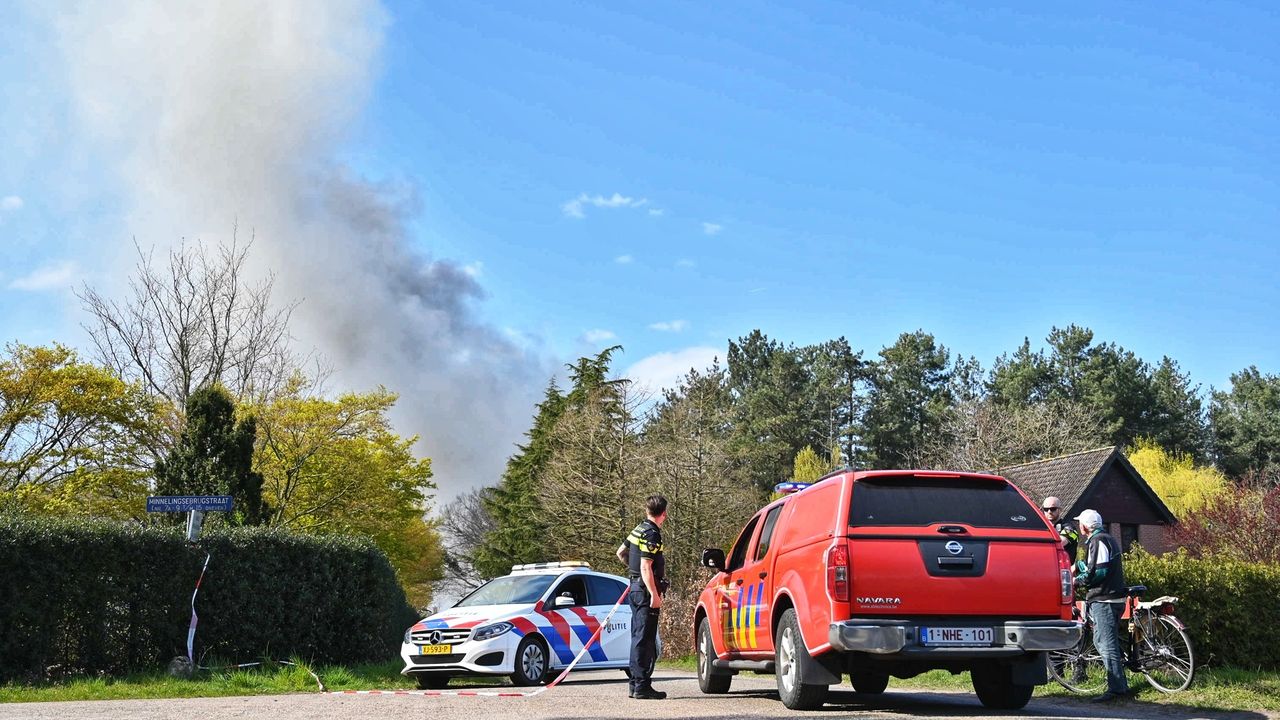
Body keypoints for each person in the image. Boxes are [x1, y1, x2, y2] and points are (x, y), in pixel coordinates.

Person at [1073, 508, 1130, 702]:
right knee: (1103, 641)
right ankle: (1120, 683)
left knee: (1106, 644)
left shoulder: (1097, 541)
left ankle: (1116, 689)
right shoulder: (1108, 538)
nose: (1079, 526)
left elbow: (1099, 571)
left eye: (1080, 523)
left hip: (1104, 599)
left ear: (1085, 526)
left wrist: (1080, 581)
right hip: (1113, 597)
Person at [615, 494, 668, 700]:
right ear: (663, 514)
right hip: (645, 591)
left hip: (635, 589)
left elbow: (621, 552)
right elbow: (646, 565)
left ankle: (634, 684)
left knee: (637, 636)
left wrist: (633, 571)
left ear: (647, 511)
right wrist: (654, 593)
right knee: (645, 639)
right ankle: (642, 685)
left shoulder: (638, 529)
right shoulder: (652, 534)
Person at [1042, 496, 1080, 562]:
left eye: (1053, 509)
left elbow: (1060, 542)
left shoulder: (1069, 527)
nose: (1049, 512)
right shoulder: (1042, 527)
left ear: (1060, 510)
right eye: (1046, 509)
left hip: (1063, 568)